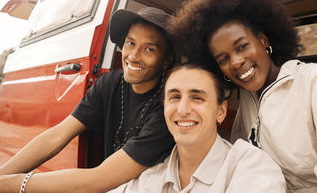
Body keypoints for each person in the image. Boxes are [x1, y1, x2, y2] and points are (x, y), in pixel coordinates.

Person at [168, 0, 317, 192]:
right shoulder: (247, 101)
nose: (236, 62)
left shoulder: (315, 81)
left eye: (242, 46)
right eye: (223, 59)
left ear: (263, 40)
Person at [0, 7, 175, 192]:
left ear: (166, 61)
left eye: (149, 49)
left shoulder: (168, 106)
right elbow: (58, 135)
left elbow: (99, 179)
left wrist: (3, 185)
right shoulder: (111, 83)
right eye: (130, 43)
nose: (133, 56)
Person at [111, 63, 286, 192]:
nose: (183, 109)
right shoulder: (149, 177)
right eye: (174, 97)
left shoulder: (253, 168)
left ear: (221, 111)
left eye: (197, 98)